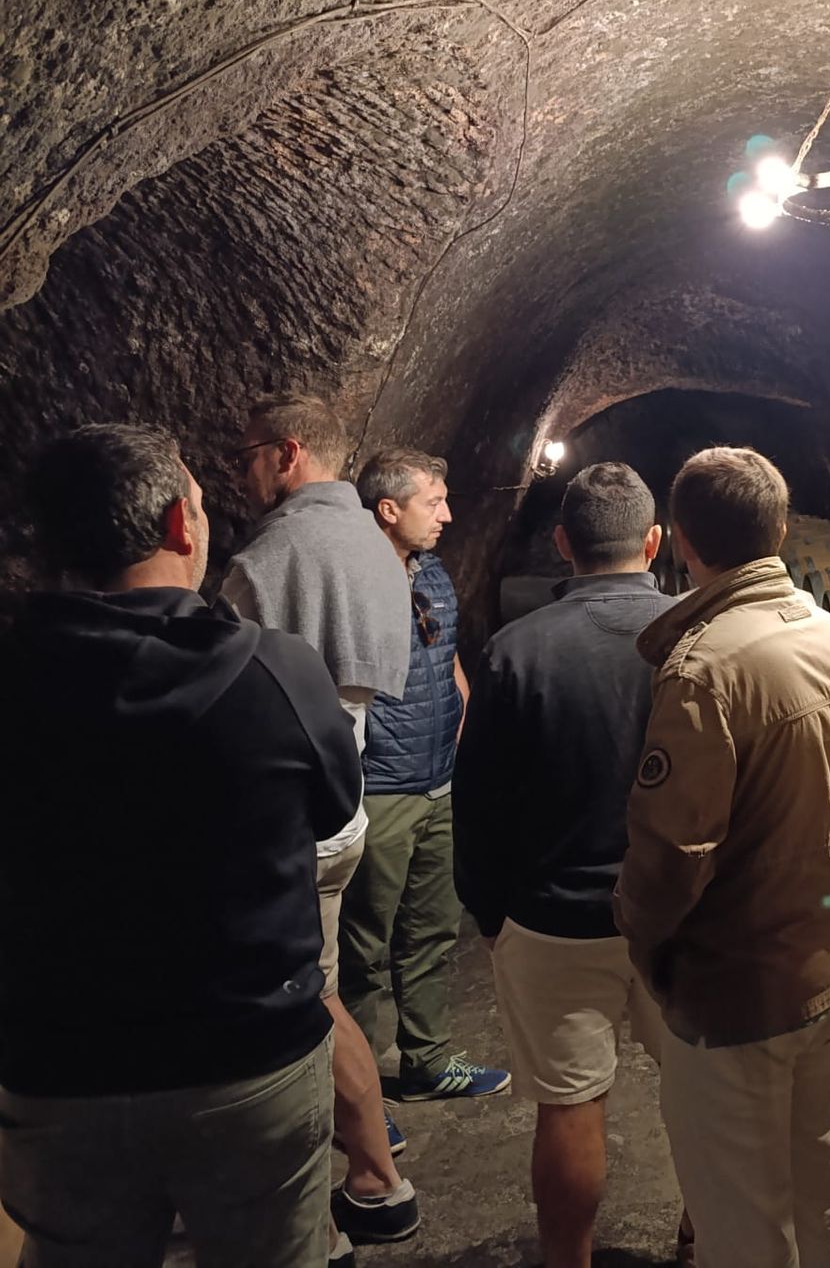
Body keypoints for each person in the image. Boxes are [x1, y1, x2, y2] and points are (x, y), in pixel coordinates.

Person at [0, 424, 359, 1267]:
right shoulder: (278, 673)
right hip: (246, 1056)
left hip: (59, 1063)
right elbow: (334, 805)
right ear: (178, 526)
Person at [616, 447, 830, 1268]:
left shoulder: (703, 673)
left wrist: (648, 952)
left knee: (740, 1218)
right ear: (782, 529)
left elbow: (671, 857)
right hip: (828, 961)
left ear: (682, 540)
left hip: (738, 984)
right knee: (820, 1174)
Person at [453, 463, 677, 1268]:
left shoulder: (515, 652)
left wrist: (486, 910)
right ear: (652, 542)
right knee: (700, 1092)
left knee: (570, 1103)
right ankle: (705, 1234)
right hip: (672, 917)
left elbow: (476, 802)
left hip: (552, 920)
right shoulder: (695, 636)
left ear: (562, 544)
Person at [222, 395, 420, 1252]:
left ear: (289, 454)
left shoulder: (271, 556)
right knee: (324, 991)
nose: (244, 473)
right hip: (348, 799)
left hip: (285, 816)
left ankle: (348, 1192)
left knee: (298, 1007)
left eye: (250, 456)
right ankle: (375, 1169)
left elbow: (225, 696)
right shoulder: (378, 550)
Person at [339, 449, 508, 1103]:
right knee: (363, 947)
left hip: (438, 780)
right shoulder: (353, 583)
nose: (447, 513)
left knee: (432, 927)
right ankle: (354, 1097)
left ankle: (427, 1064)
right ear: (389, 509)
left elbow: (448, 659)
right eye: (432, 502)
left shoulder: (432, 573)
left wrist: (460, 715)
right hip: (381, 791)